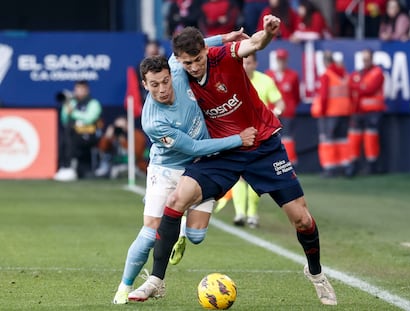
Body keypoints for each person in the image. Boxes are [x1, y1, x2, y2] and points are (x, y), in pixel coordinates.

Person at [130, 14, 337, 306]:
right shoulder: (177, 71)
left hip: (263, 144)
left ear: (205, 51)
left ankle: (315, 273)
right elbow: (174, 68)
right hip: (223, 151)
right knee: (176, 200)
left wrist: (267, 33)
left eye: (197, 60)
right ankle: (156, 280)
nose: (193, 67)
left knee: (302, 220)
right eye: (187, 63)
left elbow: (252, 44)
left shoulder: (223, 57)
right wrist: (235, 140)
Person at [113, 31, 256, 305]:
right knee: (148, 233)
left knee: (197, 236)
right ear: (145, 85)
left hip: (201, 165)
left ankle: (182, 223)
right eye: (154, 85)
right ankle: (125, 286)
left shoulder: (178, 70)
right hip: (167, 168)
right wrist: (237, 140)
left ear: (171, 73)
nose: (163, 89)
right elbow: (191, 147)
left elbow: (197, 49)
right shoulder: (152, 121)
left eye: (165, 81)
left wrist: (227, 37)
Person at [230, 52, 284, 228]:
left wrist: (275, 113)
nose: (246, 66)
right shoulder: (232, 81)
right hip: (238, 134)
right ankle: (239, 213)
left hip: (260, 135)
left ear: (255, 64)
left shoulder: (265, 81)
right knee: (238, 175)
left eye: (250, 63)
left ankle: (252, 214)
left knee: (254, 176)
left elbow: (280, 102)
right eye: (243, 62)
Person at [311, 51, 353, 177]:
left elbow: (323, 97)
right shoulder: (344, 75)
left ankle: (330, 168)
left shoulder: (327, 75)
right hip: (344, 112)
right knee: (342, 140)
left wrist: (322, 112)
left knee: (327, 140)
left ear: (325, 62)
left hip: (330, 113)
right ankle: (346, 166)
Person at [54, 80, 103, 181]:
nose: (79, 91)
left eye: (81, 89)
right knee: (66, 133)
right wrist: (66, 105)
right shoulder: (72, 102)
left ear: (86, 90)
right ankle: (65, 166)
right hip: (73, 134)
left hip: (89, 134)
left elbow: (89, 118)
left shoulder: (93, 103)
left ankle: (71, 166)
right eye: (77, 89)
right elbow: (64, 120)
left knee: (72, 135)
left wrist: (74, 113)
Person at [347, 48, 386, 176]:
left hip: (373, 111)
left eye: (367, 58)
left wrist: (357, 86)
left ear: (372, 58)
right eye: (363, 58)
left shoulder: (377, 72)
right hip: (358, 110)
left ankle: (372, 166)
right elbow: (351, 84)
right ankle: (354, 164)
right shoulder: (359, 73)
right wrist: (359, 85)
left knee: (371, 139)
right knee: (354, 138)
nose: (365, 61)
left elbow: (369, 89)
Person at [265, 48, 301, 167]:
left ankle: (290, 163)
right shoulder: (269, 75)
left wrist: (291, 106)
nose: (281, 62)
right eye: (279, 59)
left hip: (288, 112)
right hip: (272, 113)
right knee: (272, 138)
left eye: (283, 60)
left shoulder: (293, 75)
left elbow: (296, 94)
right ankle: (275, 162)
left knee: (288, 137)